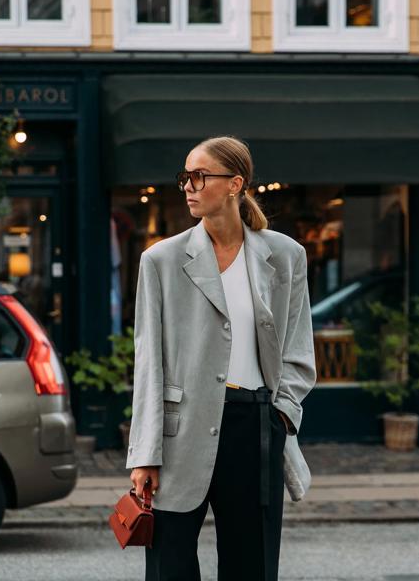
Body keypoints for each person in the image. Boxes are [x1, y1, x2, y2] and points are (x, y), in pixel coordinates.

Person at [126, 136, 317, 581]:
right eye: (185, 177)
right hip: (179, 434)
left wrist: (282, 415)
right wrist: (144, 452)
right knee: (169, 568)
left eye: (200, 176)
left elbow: (298, 350)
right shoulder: (161, 260)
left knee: (252, 567)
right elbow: (148, 363)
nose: (188, 186)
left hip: (256, 428)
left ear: (235, 184)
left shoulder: (285, 255)